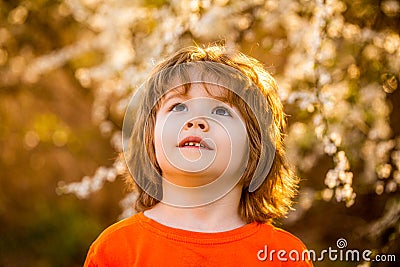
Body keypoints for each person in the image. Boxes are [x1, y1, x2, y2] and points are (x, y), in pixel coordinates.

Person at [83, 45, 313, 266]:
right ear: (150, 137)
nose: (196, 121)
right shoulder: (115, 250)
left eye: (220, 111)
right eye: (178, 107)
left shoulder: (284, 256)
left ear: (255, 147)